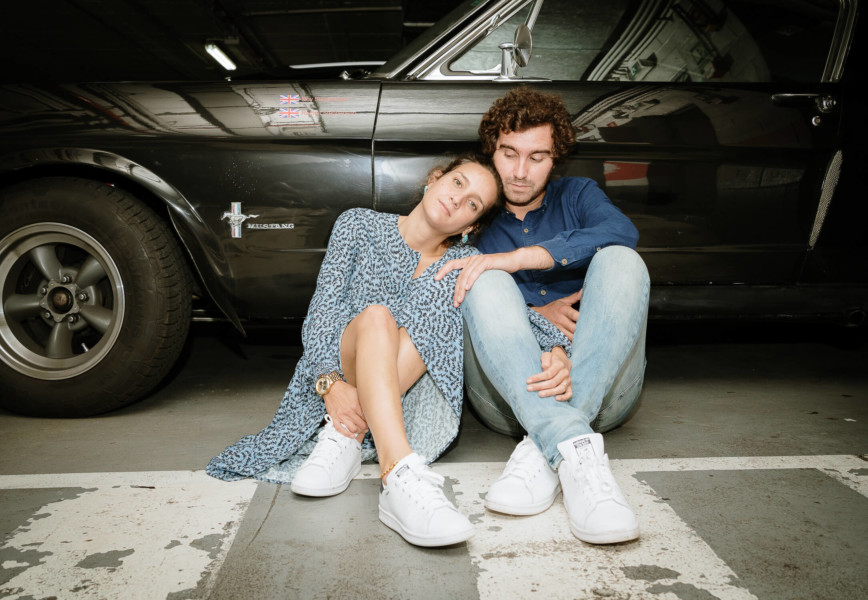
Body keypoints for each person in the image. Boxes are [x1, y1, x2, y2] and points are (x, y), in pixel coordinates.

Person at [207, 154, 571, 548]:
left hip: (411, 404)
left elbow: (508, 316)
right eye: (458, 183)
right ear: (435, 179)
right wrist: (329, 384)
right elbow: (322, 312)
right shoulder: (358, 225)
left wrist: (556, 345)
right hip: (336, 374)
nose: (457, 200)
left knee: (451, 280)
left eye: (472, 205)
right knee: (377, 317)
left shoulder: (464, 259)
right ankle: (396, 470)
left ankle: (348, 436)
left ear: (471, 225)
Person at [436, 87, 650, 545]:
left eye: (537, 157)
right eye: (509, 153)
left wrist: (522, 259)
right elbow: (437, 299)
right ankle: (574, 448)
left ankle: (545, 447)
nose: (519, 171)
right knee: (482, 275)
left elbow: (621, 231)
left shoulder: (578, 195)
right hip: (510, 398)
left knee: (622, 259)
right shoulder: (473, 216)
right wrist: (540, 323)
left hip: (601, 387)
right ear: (492, 150)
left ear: (556, 160)